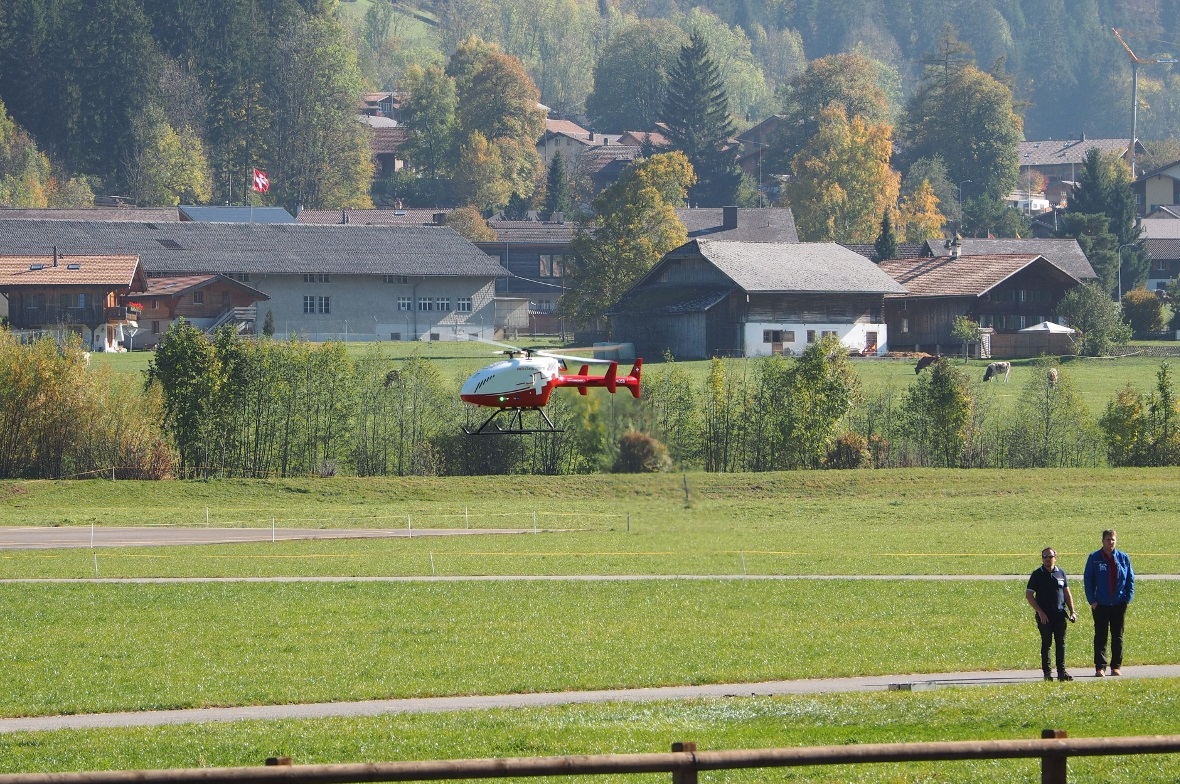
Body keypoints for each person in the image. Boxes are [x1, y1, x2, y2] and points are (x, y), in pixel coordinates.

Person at [1083, 529, 1135, 677]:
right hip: (1100, 604)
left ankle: (1116, 666)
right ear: (1102, 541)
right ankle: (1100, 667)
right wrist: (1092, 601)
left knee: (1117, 636)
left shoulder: (1123, 558)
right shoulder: (1094, 558)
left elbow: (1130, 579)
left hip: (1119, 604)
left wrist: (1127, 599)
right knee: (1100, 636)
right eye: (1108, 539)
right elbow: (1088, 580)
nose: (1110, 542)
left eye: (1113, 539)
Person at [1026, 547, 1077, 681]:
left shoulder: (1061, 573)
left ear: (1055, 557)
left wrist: (1072, 611)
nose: (1047, 559)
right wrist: (1040, 612)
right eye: (1044, 557)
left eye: (1050, 556)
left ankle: (1062, 672)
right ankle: (1047, 673)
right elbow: (1029, 595)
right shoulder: (1037, 574)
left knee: (1061, 644)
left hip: (1060, 614)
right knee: (1046, 644)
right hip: (1045, 616)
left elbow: (1067, 593)